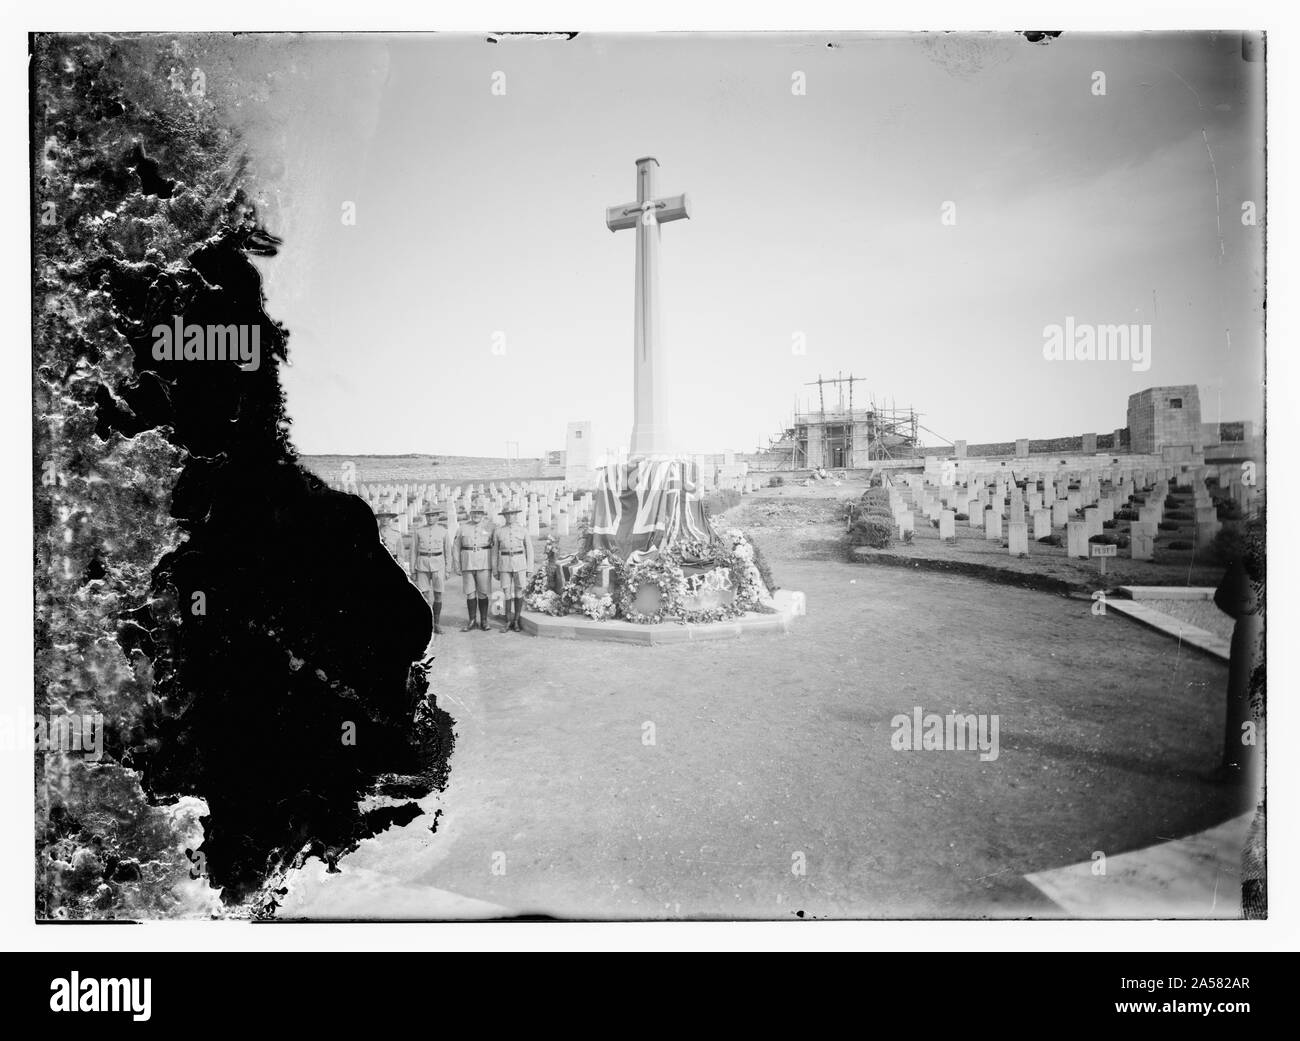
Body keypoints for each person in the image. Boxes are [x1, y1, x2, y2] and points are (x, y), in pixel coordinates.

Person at [453, 498, 494, 631]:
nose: (477, 515)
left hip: (484, 563)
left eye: (479, 513)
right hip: (468, 563)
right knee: (470, 592)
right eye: (474, 512)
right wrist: (457, 565)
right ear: (471, 513)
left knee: (483, 592)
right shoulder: (462, 528)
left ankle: (483, 621)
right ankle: (472, 620)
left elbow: (496, 547)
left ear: (483, 514)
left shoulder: (490, 527)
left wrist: (495, 565)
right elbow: (456, 547)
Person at [493, 503, 534, 633]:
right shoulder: (499, 531)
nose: (510, 516)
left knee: (519, 592)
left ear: (516, 515)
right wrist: (495, 569)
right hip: (504, 564)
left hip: (520, 564)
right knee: (506, 593)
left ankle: (516, 620)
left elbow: (530, 550)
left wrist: (529, 568)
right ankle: (508, 621)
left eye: (512, 514)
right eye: (507, 514)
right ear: (504, 516)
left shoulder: (523, 530)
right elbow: (494, 552)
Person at [412, 505, 453, 635]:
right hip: (422, 564)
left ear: (437, 517)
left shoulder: (443, 531)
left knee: (438, 594)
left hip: (438, 564)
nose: (431, 518)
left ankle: (436, 623)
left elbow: (448, 551)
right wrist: (413, 570)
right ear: (426, 517)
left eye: (433, 515)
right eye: (428, 515)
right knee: (424, 595)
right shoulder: (418, 531)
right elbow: (413, 551)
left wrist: (448, 569)